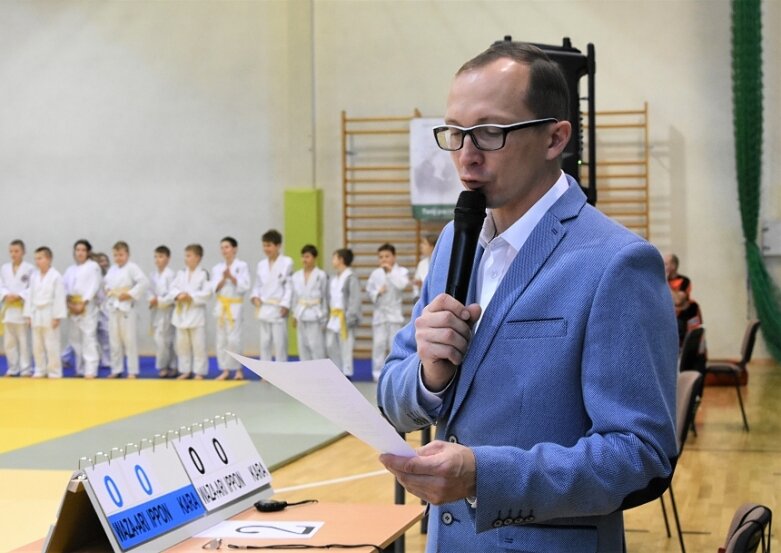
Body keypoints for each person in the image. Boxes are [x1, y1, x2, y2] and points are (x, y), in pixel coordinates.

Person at [377, 42, 678, 552]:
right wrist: (430, 377)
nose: (466, 154)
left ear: (555, 137)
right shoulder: (456, 240)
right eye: (455, 133)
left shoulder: (615, 262)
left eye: (491, 132)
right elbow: (392, 394)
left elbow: (640, 456)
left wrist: (483, 475)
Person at [103, 241, 149, 379]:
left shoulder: (132, 267)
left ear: (127, 254)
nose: (118, 257)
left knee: (129, 340)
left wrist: (129, 294)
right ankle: (116, 369)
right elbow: (106, 284)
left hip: (127, 307)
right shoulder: (112, 269)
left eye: (121, 254)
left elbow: (144, 282)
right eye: (116, 255)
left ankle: (132, 371)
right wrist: (108, 291)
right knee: (114, 340)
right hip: (113, 306)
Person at [167, 244, 211, 380]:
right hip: (181, 314)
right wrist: (179, 295)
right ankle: (185, 370)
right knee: (182, 345)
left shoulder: (204, 274)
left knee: (198, 345)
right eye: (186, 256)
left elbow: (207, 293)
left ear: (197, 257)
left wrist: (190, 296)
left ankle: (199, 371)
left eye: (189, 255)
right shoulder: (181, 273)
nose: (186, 259)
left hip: (196, 314)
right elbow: (172, 289)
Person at [366, 243, 409, 381]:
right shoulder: (375, 274)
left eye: (387, 256)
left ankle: (394, 372)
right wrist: (378, 292)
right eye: (381, 257)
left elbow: (402, 285)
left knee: (393, 345)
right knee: (378, 344)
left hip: (395, 315)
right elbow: (369, 292)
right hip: (380, 315)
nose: (383, 259)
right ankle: (377, 373)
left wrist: (390, 273)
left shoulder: (401, 271)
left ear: (394, 257)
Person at [250, 229, 293, 362]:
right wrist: (255, 296)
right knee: (265, 342)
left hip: (278, 307)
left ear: (278, 246)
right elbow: (257, 285)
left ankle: (281, 370)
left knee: (280, 342)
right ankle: (266, 371)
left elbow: (289, 286)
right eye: (264, 245)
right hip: (264, 306)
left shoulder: (287, 262)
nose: (266, 248)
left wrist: (286, 304)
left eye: (269, 245)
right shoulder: (261, 265)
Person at [24, 247, 66, 378]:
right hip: (36, 312)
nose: (37, 261)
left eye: (40, 258)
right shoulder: (34, 276)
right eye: (36, 258)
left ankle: (54, 371)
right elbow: (29, 295)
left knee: (51, 343)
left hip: (50, 311)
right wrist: (28, 315)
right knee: (37, 344)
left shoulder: (56, 276)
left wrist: (57, 316)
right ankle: (39, 369)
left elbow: (59, 296)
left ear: (49, 259)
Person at [62, 239, 103, 378]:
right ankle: (80, 369)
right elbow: (65, 287)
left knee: (88, 338)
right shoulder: (70, 269)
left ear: (88, 252)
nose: (80, 253)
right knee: (75, 339)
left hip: (87, 306)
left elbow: (94, 285)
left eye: (83, 250)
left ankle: (91, 369)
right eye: (77, 250)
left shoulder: (93, 266)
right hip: (73, 306)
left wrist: (83, 303)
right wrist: (69, 303)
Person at [211, 236, 250, 380]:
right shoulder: (217, 268)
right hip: (221, 306)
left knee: (234, 340)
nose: (224, 250)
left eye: (227, 247)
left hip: (235, 306)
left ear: (234, 249)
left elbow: (245, 286)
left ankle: (238, 370)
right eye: (222, 248)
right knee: (221, 340)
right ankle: (225, 370)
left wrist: (232, 277)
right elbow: (213, 288)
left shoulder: (242, 266)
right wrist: (223, 278)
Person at [1, 240, 35, 377]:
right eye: (11, 251)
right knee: (9, 342)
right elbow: (0, 285)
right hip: (8, 308)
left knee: (23, 341)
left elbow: (32, 288)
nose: (13, 254)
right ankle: (12, 368)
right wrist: (5, 295)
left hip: (22, 308)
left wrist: (20, 295)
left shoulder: (30, 268)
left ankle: (26, 369)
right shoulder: (4, 268)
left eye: (16, 251)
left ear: (23, 252)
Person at [325, 248, 360, 378]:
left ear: (341, 260)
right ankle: (337, 371)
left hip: (345, 318)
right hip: (334, 316)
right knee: (330, 345)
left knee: (346, 347)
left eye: (334, 258)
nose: (332, 261)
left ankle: (347, 373)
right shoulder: (334, 278)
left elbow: (354, 299)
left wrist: (351, 316)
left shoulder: (351, 277)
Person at [291, 244, 328, 361]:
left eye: (307, 257)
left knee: (316, 346)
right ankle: (306, 375)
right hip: (301, 313)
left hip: (316, 314)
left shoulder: (321, 275)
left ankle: (320, 374)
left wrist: (325, 317)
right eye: (302, 257)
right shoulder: (296, 276)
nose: (304, 260)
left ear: (314, 258)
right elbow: (294, 297)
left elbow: (325, 297)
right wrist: (294, 314)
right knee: (303, 346)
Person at [148, 245, 177, 377]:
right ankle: (166, 366)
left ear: (168, 258)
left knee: (167, 341)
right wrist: (152, 299)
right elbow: (148, 292)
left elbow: (172, 295)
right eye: (156, 257)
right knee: (160, 341)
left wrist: (159, 300)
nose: (157, 260)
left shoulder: (171, 275)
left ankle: (169, 366)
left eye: (160, 256)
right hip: (156, 311)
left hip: (168, 311)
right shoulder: (153, 275)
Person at [92, 252, 112, 370]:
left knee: (105, 335)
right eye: (101, 261)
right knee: (88, 336)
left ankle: (106, 360)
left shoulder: (110, 277)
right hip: (92, 308)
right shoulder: (93, 276)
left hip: (105, 309)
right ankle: (65, 357)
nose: (104, 263)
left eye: (105, 261)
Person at [412, 233, 438, 300]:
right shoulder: (422, 263)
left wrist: (423, 284)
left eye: (424, 243)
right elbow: (416, 283)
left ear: (432, 246)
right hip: (423, 300)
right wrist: (416, 297)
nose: (421, 246)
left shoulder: (441, 263)